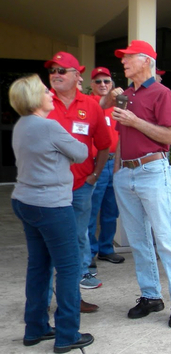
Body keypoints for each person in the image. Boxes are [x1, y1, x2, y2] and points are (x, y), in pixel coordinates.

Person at [9, 74, 94, 353]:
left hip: (25, 201)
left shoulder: (21, 125)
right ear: (35, 98)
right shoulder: (49, 127)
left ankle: (35, 328)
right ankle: (67, 334)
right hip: (51, 206)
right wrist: (65, 153)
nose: (50, 93)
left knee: (39, 265)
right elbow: (82, 153)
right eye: (46, 91)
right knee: (69, 269)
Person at [110, 40, 171, 328]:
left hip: (153, 170)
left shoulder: (162, 92)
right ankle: (151, 296)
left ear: (146, 61)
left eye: (128, 57)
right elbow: (121, 137)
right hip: (127, 174)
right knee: (139, 240)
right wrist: (118, 171)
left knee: (165, 238)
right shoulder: (126, 94)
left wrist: (135, 121)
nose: (124, 62)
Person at [46, 52, 111, 291]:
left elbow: (104, 146)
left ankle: (80, 276)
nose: (55, 75)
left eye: (61, 71)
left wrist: (94, 176)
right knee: (52, 236)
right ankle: (57, 281)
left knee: (79, 233)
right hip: (49, 186)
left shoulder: (91, 105)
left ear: (76, 76)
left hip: (81, 184)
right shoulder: (42, 102)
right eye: (52, 71)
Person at [87, 67, 125, 267]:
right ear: (92, 85)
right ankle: (90, 251)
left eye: (106, 81)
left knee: (111, 210)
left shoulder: (117, 107)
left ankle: (106, 249)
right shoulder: (90, 104)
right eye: (98, 81)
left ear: (112, 84)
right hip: (96, 164)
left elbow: (120, 137)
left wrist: (119, 164)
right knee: (92, 210)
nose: (103, 85)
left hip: (114, 163)